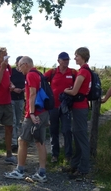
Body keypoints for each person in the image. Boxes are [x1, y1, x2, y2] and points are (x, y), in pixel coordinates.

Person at [4, 56, 49, 182]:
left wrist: (32, 113)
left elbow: (33, 94)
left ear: (25, 64)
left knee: (22, 141)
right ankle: (41, 172)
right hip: (42, 112)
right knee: (39, 142)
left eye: (19, 66)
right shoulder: (39, 74)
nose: (18, 69)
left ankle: (20, 170)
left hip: (35, 113)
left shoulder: (30, 75)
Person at [63, 47, 91, 179]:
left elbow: (74, 92)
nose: (74, 58)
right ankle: (75, 165)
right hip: (81, 106)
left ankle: (83, 168)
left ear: (83, 56)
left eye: (76, 56)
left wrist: (66, 90)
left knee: (81, 137)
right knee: (78, 135)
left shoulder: (83, 72)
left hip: (80, 107)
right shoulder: (86, 70)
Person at [44, 52, 76, 163]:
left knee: (67, 130)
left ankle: (68, 155)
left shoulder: (72, 73)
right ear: (59, 61)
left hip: (66, 106)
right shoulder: (52, 72)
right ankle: (55, 155)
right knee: (53, 130)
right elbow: (41, 81)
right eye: (64, 59)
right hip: (53, 106)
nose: (66, 61)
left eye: (68, 59)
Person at [10, 56, 25, 152]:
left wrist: (24, 89)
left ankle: (18, 140)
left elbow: (28, 82)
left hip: (20, 99)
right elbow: (7, 81)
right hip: (11, 98)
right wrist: (13, 88)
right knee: (13, 120)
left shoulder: (25, 72)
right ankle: (13, 142)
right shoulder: (11, 71)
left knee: (18, 120)